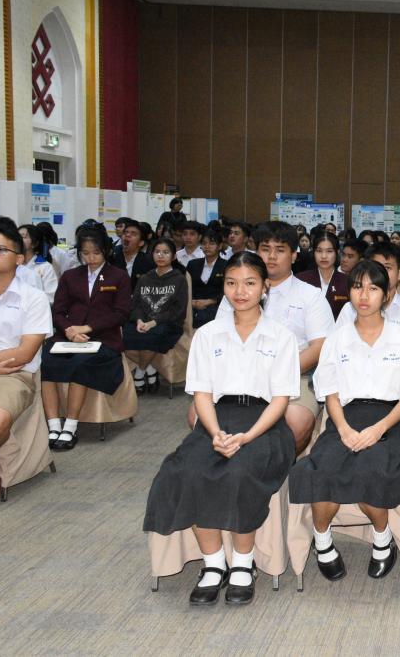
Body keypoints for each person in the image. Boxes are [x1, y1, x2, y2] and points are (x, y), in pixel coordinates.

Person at [143, 252, 299, 606]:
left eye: (249, 283)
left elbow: (280, 400)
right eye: (231, 283)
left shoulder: (281, 336)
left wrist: (248, 436)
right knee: (185, 470)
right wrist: (214, 432)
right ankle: (213, 563)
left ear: (265, 287)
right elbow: (202, 394)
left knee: (241, 470)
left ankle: (243, 563)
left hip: (264, 424)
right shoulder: (208, 334)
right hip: (216, 419)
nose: (240, 292)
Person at [288, 259, 400, 582]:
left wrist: (378, 429)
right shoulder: (337, 339)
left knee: (370, 467)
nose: (364, 295)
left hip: (388, 421)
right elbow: (330, 394)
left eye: (373, 288)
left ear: (386, 296)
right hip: (344, 418)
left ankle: (383, 539)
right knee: (322, 468)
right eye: (357, 287)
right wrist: (344, 429)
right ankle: (322, 541)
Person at [211, 222, 334, 455]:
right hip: (238, 372)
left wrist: (276, 373)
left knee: (295, 421)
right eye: (265, 249)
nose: (272, 256)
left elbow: (320, 347)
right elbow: (219, 337)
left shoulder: (310, 295)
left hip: (295, 375)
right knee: (198, 415)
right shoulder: (237, 293)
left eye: (280, 250)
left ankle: (280, 466)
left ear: (294, 255)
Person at [41, 227, 131, 451]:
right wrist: (70, 330)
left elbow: (121, 314)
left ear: (105, 251)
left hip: (104, 339)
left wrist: (88, 328)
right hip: (68, 337)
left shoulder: (118, 276)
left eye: (96, 253)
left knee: (80, 364)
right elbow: (58, 311)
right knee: (46, 362)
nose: (91, 258)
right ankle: (54, 425)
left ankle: (71, 426)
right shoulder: (70, 276)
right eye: (85, 253)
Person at [0, 223, 52, 502]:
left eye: (0, 249)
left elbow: (23, 354)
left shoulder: (33, 298)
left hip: (12, 375)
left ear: (20, 259)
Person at [335, 244, 400, 356]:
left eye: (387, 268)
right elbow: (337, 348)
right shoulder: (349, 309)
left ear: (399, 274)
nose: (381, 273)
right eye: (375, 267)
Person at [123, 238, 189, 394]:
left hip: (169, 324)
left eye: (165, 252)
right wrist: (139, 320)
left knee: (152, 337)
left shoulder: (179, 279)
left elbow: (178, 310)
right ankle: (150, 368)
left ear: (173, 256)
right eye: (157, 252)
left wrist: (153, 322)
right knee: (122, 339)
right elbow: (136, 304)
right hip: (142, 322)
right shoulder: (145, 278)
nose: (161, 255)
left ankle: (140, 372)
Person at [296, 232, 349, 320]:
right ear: (313, 252)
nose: (324, 256)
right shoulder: (300, 280)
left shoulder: (348, 282)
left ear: (337, 252)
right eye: (319, 251)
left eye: (329, 251)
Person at [187, 228, 227, 329]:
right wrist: (192, 302)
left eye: (212, 243)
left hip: (215, 307)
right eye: (204, 243)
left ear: (220, 246)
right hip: (192, 306)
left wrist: (210, 301)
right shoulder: (193, 264)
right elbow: (185, 287)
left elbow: (226, 291)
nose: (207, 246)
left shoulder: (226, 266)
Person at [110, 218, 156, 292]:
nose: (128, 235)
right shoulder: (111, 257)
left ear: (141, 243)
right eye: (125, 232)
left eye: (133, 234)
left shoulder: (149, 262)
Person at [16, 224, 59, 302]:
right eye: (16, 236)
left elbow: (51, 297)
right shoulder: (11, 265)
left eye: (23, 237)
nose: (18, 240)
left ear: (34, 243)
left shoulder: (45, 267)